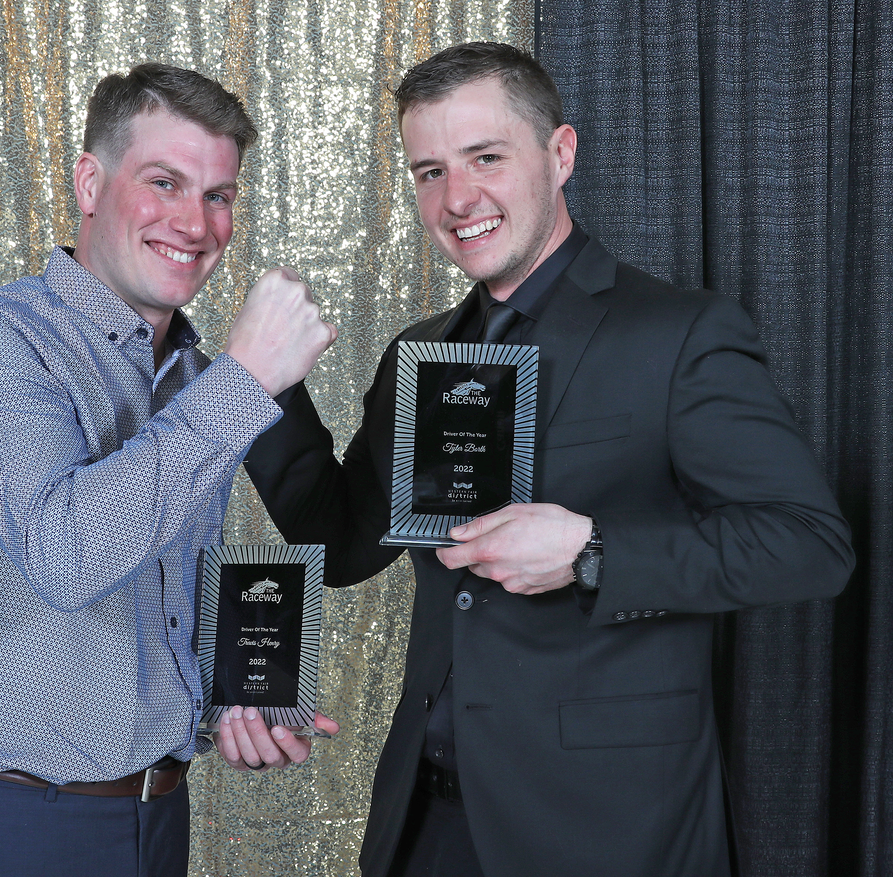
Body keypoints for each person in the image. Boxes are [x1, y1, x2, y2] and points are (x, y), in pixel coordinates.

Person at [235, 42, 855, 877]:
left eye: (484, 158)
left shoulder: (677, 334)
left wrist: (589, 553)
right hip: (429, 822)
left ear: (559, 154)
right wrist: (258, 388)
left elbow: (807, 544)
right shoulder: (422, 352)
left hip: (607, 827)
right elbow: (342, 545)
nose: (458, 198)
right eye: (429, 171)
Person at [0, 62, 339, 877]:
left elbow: (152, 590)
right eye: (164, 182)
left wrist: (233, 694)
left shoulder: (195, 378)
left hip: (153, 823)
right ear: (91, 182)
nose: (193, 222)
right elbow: (68, 553)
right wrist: (246, 380)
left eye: (218, 194)